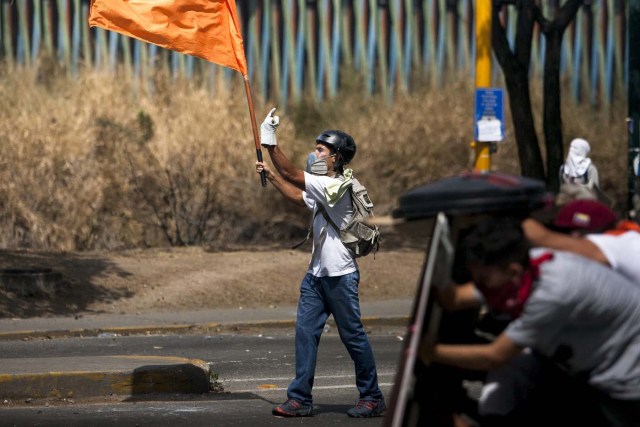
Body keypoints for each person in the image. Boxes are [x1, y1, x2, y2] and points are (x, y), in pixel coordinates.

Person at [421, 217, 640, 426]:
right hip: (593, 367)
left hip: (626, 384)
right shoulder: (530, 265)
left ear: (513, 272)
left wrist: (429, 351)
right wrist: (439, 266)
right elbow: (455, 298)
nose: (480, 286)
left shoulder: (552, 294)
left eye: (484, 279)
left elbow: (494, 356)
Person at [255, 107, 386, 418]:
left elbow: (291, 174)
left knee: (353, 337)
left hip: (341, 276)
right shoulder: (321, 186)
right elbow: (296, 194)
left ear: (336, 158)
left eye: (320, 150)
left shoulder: (333, 186)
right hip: (316, 275)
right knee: (305, 335)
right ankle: (300, 399)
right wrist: (271, 176)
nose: (313, 154)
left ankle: (372, 397)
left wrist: (269, 140)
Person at [523, 199, 640, 285]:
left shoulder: (621, 244)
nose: (566, 238)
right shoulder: (628, 239)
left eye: (566, 232)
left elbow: (543, 239)